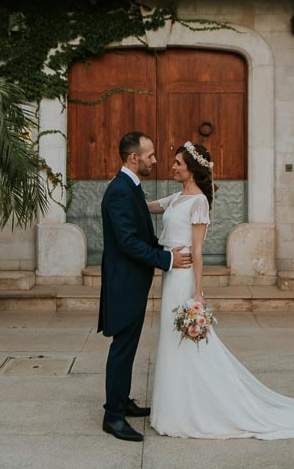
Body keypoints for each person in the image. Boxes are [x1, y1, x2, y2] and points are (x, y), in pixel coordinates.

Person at [147, 142, 294, 439]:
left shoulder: (198, 202)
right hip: (171, 274)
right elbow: (150, 206)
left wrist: (198, 291)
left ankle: (192, 408)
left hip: (184, 277)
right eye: (174, 162)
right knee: (171, 339)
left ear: (192, 170)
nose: (172, 167)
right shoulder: (177, 197)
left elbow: (198, 250)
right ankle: (175, 404)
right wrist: (127, 189)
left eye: (178, 164)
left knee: (185, 341)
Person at [99, 131, 193, 442]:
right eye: (150, 155)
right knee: (122, 350)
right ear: (133, 157)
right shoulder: (120, 191)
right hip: (124, 285)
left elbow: (142, 236)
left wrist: (164, 249)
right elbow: (127, 243)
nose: (155, 160)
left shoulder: (132, 187)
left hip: (133, 283)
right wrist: (165, 259)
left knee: (127, 348)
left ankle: (122, 401)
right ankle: (113, 416)